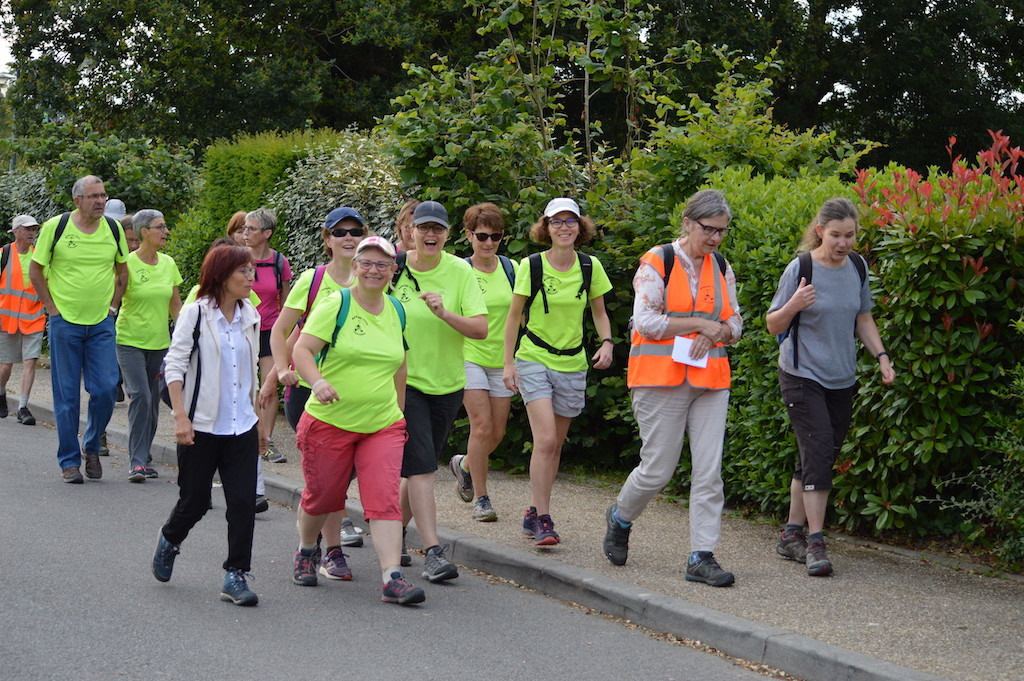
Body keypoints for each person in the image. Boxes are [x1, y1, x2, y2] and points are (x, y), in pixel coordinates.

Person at [603, 189, 742, 587]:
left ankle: (701, 556)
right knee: (657, 471)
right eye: (708, 229)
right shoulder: (658, 260)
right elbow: (646, 322)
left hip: (710, 380)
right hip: (659, 379)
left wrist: (718, 332)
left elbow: (736, 323)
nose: (715, 238)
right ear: (687, 223)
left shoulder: (722, 266)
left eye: (721, 231)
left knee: (709, 472)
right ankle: (620, 517)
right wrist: (701, 325)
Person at [290, 236, 425, 604]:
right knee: (323, 496)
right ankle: (306, 550)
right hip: (330, 421)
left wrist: (399, 414)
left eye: (382, 264)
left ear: (393, 270)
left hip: (382, 424)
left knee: (384, 498)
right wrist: (317, 382)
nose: (373, 270)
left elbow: (400, 365)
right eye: (366, 262)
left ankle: (391, 577)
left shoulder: (397, 309)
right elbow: (301, 349)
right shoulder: (337, 304)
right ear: (355, 266)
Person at [765, 197, 895, 577]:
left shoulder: (857, 266)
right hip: (801, 374)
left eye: (850, 235)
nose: (843, 243)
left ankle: (791, 534)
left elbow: (863, 318)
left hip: (842, 378)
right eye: (836, 235)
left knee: (815, 454)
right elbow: (773, 324)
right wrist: (794, 304)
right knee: (820, 450)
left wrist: (882, 356)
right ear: (820, 231)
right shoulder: (801, 268)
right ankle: (816, 542)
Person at [152, 245, 262, 606]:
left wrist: (259, 423)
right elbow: (174, 365)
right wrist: (180, 417)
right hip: (200, 427)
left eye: (252, 270)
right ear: (222, 275)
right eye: (244, 271)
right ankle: (170, 538)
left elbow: (251, 372)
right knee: (195, 502)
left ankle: (236, 574)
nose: (251, 277)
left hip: (242, 427)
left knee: (243, 503)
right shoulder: (196, 313)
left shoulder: (250, 315)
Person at [263, 206, 369, 576]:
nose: (348, 238)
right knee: (327, 478)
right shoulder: (313, 279)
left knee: (338, 476)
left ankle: (316, 543)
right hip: (308, 393)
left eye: (355, 232)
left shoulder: (376, 278)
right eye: (339, 232)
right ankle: (328, 551)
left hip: (357, 397)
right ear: (327, 240)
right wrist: (280, 370)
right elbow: (281, 330)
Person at [502, 197, 613, 546]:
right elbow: (512, 317)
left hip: (573, 362)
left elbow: (599, 312)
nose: (564, 227)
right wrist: (508, 363)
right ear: (546, 228)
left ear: (580, 227)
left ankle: (533, 510)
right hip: (534, 357)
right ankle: (544, 519)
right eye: (556, 222)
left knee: (555, 445)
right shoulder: (531, 266)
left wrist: (607, 342)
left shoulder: (590, 266)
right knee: (546, 440)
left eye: (570, 221)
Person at [392, 200, 487, 581]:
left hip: (448, 385)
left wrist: (445, 313)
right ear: (410, 231)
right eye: (424, 228)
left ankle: (393, 533)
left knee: (419, 467)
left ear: (447, 234)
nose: (430, 235)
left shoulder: (460, 270)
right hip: (405, 383)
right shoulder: (394, 268)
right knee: (422, 467)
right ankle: (433, 551)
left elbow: (480, 329)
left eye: (438, 229)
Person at [30, 175, 129, 484]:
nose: (101, 201)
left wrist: (113, 307)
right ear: (77, 201)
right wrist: (51, 308)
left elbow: (122, 270)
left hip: (101, 323)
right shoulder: (56, 227)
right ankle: (70, 461)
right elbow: (35, 270)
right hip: (65, 323)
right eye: (94, 196)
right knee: (67, 396)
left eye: (103, 195)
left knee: (106, 389)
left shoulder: (113, 229)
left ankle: (92, 444)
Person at [448, 203, 515, 522]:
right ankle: (481, 498)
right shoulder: (458, 271)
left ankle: (463, 465)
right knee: (482, 426)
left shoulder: (512, 269)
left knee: (497, 433)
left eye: (495, 236)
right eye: (482, 236)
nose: (489, 243)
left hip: (501, 360)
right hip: (468, 355)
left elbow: (521, 313)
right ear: (469, 235)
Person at [115, 210, 183, 482]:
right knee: (141, 396)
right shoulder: (126, 264)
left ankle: (144, 455)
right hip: (129, 341)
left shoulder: (168, 263)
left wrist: (185, 336)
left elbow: (175, 304)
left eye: (165, 226)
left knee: (153, 402)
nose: (166, 231)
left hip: (160, 344)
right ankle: (137, 462)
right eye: (160, 227)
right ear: (144, 232)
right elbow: (113, 300)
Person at [245, 208, 291, 463]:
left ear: (267, 233)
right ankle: (251, 437)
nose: (245, 233)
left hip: (270, 331)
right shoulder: (239, 258)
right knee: (247, 385)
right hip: (243, 329)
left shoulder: (279, 262)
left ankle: (267, 441)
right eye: (245, 228)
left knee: (269, 386)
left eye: (251, 229)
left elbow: (287, 302)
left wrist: (286, 333)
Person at [0, 215, 45, 425]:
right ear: (16, 231)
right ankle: (1, 393)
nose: (31, 233)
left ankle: (23, 407)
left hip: (33, 318)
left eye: (34, 229)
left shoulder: (39, 257)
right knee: (5, 366)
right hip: (6, 319)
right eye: (27, 229)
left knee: (30, 361)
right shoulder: (4, 254)